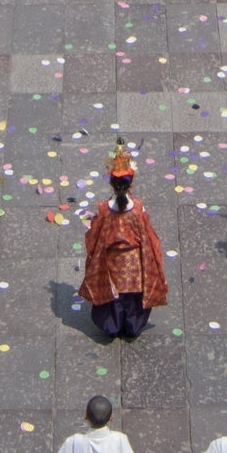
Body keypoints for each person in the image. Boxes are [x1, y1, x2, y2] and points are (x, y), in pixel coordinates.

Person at [77, 140, 168, 339]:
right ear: (131, 182)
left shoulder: (103, 208)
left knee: (114, 295)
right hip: (134, 262)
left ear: (111, 183)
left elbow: (95, 234)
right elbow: (147, 234)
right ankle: (132, 326)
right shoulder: (138, 208)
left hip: (111, 262)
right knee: (132, 296)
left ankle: (112, 327)